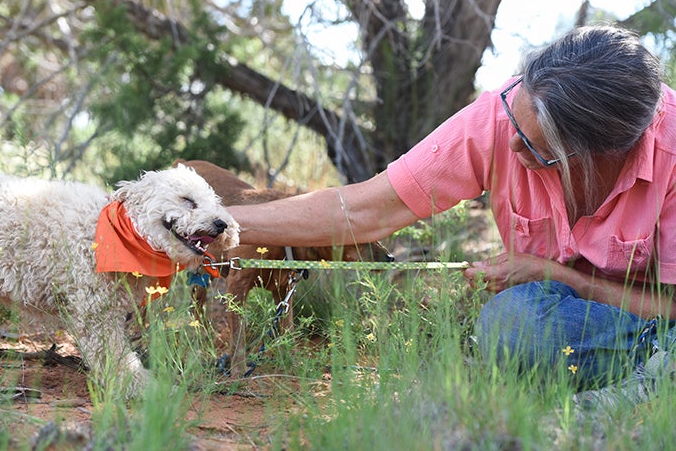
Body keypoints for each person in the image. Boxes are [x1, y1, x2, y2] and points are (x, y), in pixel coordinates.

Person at [227, 25, 676, 398]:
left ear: (600, 153)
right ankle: (645, 374)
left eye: (541, 151)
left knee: (525, 332)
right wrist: (214, 223)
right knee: (512, 323)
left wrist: (559, 277)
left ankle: (652, 372)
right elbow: (362, 209)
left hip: (655, 315)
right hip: (562, 321)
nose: (512, 143)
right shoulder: (499, 120)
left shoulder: (669, 151)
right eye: (513, 123)